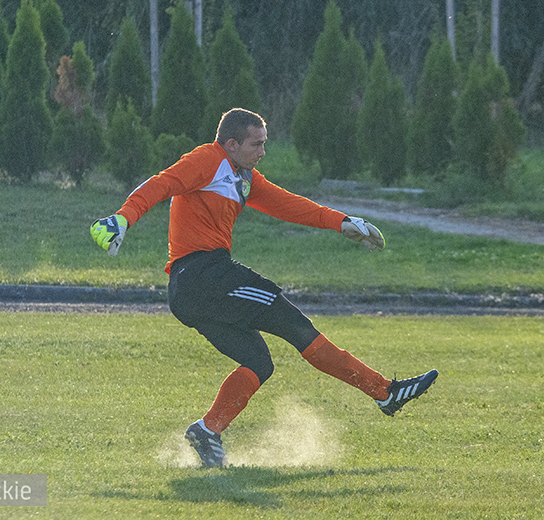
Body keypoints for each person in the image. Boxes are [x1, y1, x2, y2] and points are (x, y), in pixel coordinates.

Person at [90, 108, 438, 468]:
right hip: (203, 276)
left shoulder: (244, 177)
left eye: (264, 143)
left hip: (194, 290)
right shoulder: (208, 159)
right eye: (256, 144)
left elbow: (289, 205)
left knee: (258, 362)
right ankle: (384, 392)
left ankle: (208, 431)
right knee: (290, 319)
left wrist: (343, 222)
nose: (263, 152)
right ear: (232, 143)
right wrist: (123, 218)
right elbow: (162, 183)